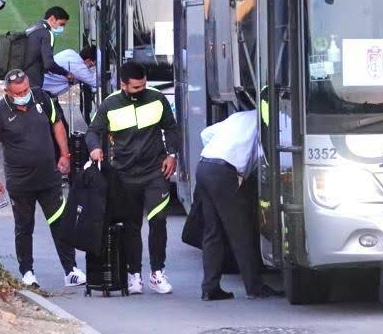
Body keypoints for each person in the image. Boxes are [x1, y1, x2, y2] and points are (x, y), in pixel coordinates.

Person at [0, 69, 86, 288]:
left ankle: (70, 270)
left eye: (26, 89)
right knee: (24, 227)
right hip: (20, 182)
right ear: (7, 92)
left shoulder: (41, 98)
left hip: (49, 177)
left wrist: (65, 155)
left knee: (60, 223)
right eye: (19, 92)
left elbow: (57, 124)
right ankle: (27, 272)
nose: (24, 94)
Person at [86, 61, 180, 295]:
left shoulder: (157, 99)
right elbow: (93, 131)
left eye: (143, 85)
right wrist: (95, 148)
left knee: (158, 221)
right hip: (124, 174)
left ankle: (157, 272)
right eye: (136, 87)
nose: (141, 90)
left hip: (155, 171)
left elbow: (171, 128)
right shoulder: (110, 104)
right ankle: (133, 273)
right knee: (131, 225)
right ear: (123, 85)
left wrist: (172, 154)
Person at [195, 110, 282, 301]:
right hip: (224, 172)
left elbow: (205, 134)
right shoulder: (268, 123)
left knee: (213, 231)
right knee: (240, 231)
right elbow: (265, 157)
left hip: (204, 165)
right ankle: (254, 287)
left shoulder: (240, 116)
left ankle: (210, 288)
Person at [43, 45, 98, 156]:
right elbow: (96, 82)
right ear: (88, 60)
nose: (93, 67)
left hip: (48, 94)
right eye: (94, 64)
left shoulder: (70, 52)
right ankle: (58, 159)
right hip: (45, 96)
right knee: (60, 129)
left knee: (60, 128)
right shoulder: (79, 67)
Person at [23, 6, 74, 90]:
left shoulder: (33, 28)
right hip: (33, 80)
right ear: (52, 19)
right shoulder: (47, 34)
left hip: (21, 75)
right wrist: (66, 73)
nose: (62, 28)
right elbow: (48, 64)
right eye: (61, 24)